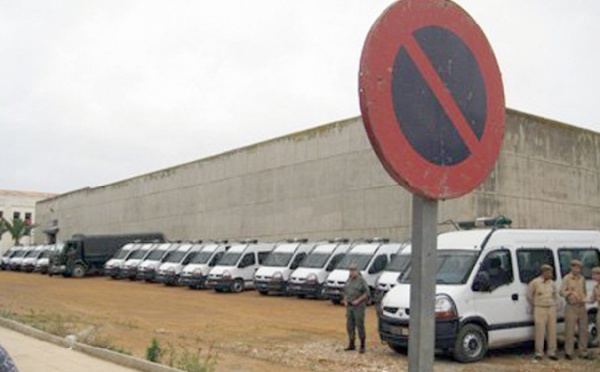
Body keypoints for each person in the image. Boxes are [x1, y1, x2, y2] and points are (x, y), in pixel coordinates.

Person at [527, 264, 558, 360]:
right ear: (544, 272)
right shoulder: (535, 283)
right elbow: (529, 295)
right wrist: (535, 304)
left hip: (551, 308)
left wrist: (554, 304)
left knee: (552, 331)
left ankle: (551, 352)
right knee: (540, 331)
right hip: (540, 308)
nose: (550, 274)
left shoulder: (552, 283)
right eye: (548, 272)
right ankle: (539, 353)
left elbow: (555, 295)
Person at [560, 259, 589, 359]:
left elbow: (584, 291)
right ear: (571, 268)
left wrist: (583, 298)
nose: (577, 270)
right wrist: (570, 293)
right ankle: (569, 352)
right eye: (575, 267)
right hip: (571, 307)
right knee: (570, 330)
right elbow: (561, 292)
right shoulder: (567, 278)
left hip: (581, 307)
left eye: (579, 268)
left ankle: (583, 352)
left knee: (583, 330)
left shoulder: (582, 279)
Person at [343, 263, 370, 353]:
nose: (352, 272)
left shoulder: (361, 280)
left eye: (353, 270)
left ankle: (362, 345)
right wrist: (345, 299)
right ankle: (351, 343)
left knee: (359, 325)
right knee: (349, 325)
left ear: (357, 271)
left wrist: (358, 300)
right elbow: (345, 291)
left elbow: (367, 293)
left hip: (358, 306)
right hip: (350, 306)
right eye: (350, 270)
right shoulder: (349, 280)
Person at [588, 266, 600, 351]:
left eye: (595, 275)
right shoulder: (595, 287)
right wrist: (581, 300)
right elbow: (592, 300)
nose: (593, 277)